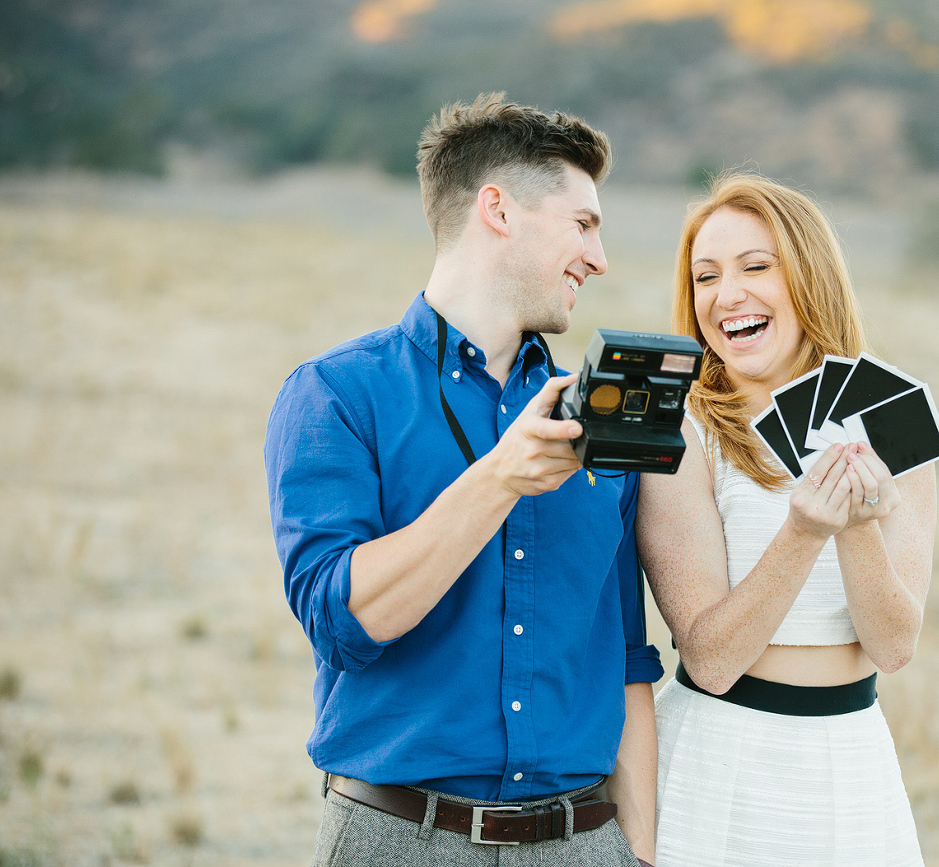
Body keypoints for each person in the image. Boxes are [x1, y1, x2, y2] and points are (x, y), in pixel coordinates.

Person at [264, 93, 661, 866]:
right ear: (498, 210)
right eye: (583, 224)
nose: (600, 257)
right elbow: (345, 623)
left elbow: (623, 650)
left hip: (582, 843)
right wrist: (500, 479)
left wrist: (636, 846)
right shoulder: (336, 395)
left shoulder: (600, 417)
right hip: (395, 838)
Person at [637, 172, 935, 866]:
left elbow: (893, 647)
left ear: (808, 274)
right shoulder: (682, 430)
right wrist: (802, 533)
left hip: (847, 760)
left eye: (754, 266)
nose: (725, 294)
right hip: (717, 756)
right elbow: (709, 660)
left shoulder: (891, 416)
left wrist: (856, 527)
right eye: (704, 276)